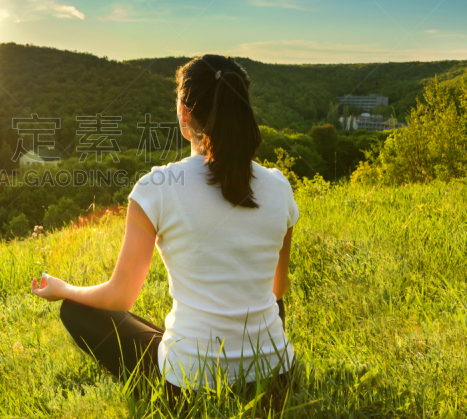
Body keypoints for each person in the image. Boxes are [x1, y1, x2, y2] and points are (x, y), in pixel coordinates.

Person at [31, 54, 299, 402]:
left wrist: (64, 288)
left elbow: (119, 297)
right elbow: (278, 290)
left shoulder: (156, 186)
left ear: (184, 114)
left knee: (77, 310)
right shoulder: (279, 186)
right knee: (265, 306)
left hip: (190, 387)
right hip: (276, 380)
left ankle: (176, 373)